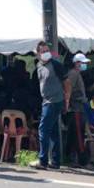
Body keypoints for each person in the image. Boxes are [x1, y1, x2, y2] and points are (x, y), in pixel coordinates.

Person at [29, 41, 71, 170]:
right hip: (46, 101)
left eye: (47, 50)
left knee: (43, 130)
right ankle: (55, 161)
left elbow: (67, 82)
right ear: (37, 54)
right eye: (43, 51)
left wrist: (67, 99)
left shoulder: (56, 65)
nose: (46, 53)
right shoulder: (39, 66)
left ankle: (43, 160)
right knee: (53, 132)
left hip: (54, 101)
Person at [65, 53, 90, 167]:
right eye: (83, 63)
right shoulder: (73, 74)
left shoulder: (76, 74)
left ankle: (76, 158)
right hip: (75, 108)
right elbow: (68, 88)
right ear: (77, 63)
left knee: (77, 133)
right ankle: (80, 159)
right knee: (78, 135)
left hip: (79, 107)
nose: (85, 65)